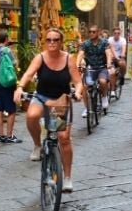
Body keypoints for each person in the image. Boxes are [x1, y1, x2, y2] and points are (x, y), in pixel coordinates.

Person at [13, 28, 83, 192]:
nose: (52, 43)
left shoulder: (68, 59)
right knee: (32, 115)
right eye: (49, 40)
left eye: (55, 40)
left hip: (59, 101)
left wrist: (78, 92)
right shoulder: (40, 58)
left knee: (63, 138)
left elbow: (78, 82)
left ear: (61, 42)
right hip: (42, 97)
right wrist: (20, 87)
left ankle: (67, 177)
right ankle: (37, 145)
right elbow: (28, 74)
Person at [0, 32, 22, 143]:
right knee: (11, 110)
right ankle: (9, 136)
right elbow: (14, 64)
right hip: (7, 83)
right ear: (6, 39)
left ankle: (1, 135)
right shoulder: (7, 51)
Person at [76, 25, 113, 115]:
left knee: (103, 81)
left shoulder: (104, 42)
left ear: (98, 32)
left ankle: (104, 97)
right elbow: (80, 54)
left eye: (94, 32)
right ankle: (86, 108)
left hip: (101, 68)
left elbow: (108, 53)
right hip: (90, 69)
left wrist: (108, 63)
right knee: (85, 87)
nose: (91, 33)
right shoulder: (86, 44)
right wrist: (77, 65)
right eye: (90, 32)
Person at [108, 27, 127, 95]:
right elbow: (111, 49)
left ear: (120, 33)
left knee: (122, 64)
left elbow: (123, 48)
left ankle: (122, 76)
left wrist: (122, 54)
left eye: (118, 33)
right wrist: (113, 57)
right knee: (111, 71)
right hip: (112, 57)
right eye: (115, 33)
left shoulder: (123, 40)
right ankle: (111, 88)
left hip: (119, 57)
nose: (116, 34)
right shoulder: (110, 39)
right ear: (113, 33)